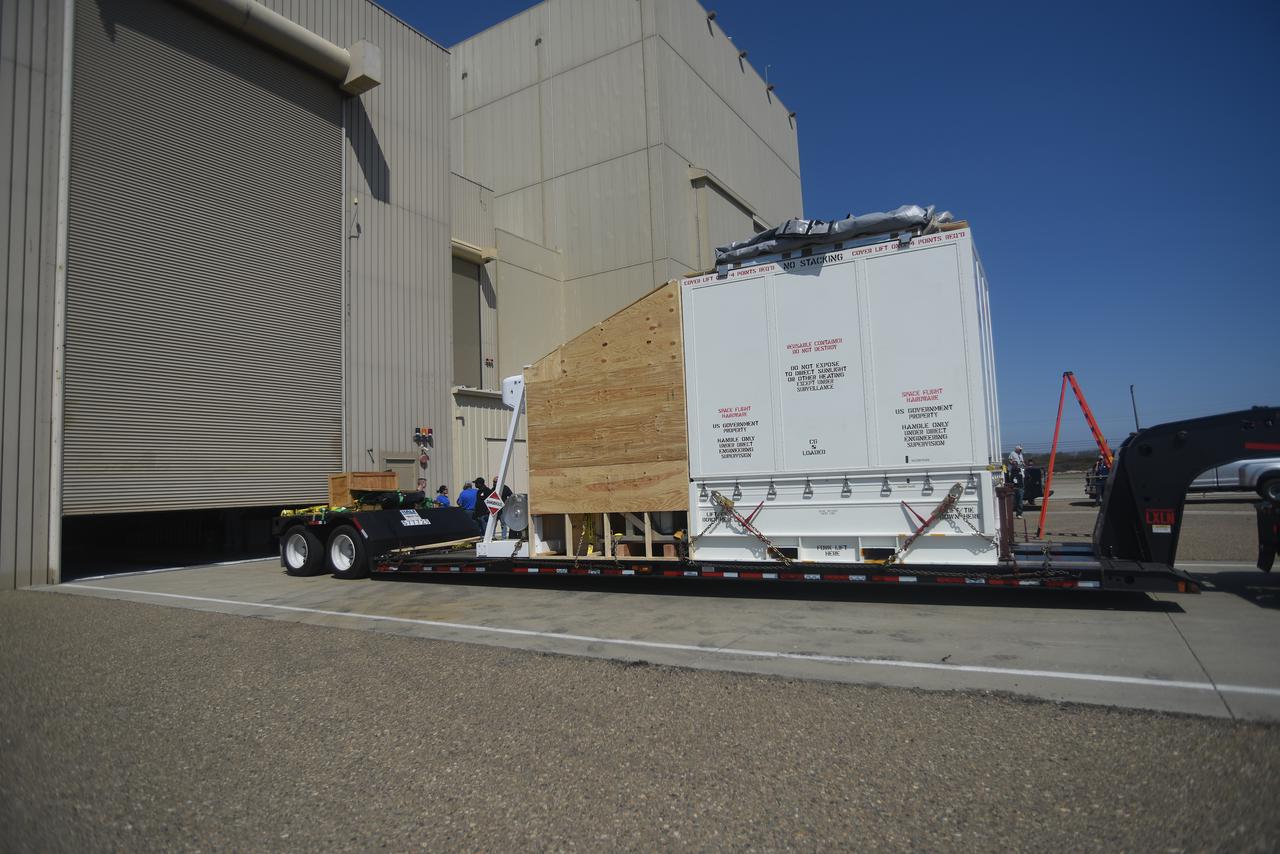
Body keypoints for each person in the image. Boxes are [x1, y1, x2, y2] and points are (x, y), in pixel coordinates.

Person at [1007, 444, 1026, 518]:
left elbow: (1022, 461)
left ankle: (1019, 513)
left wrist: (1024, 465)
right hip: (1013, 470)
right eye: (1019, 449)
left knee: (1019, 500)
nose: (1021, 450)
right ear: (1016, 449)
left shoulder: (1021, 455)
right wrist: (1013, 464)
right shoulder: (1012, 453)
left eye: (1021, 449)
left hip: (1020, 470)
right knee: (1014, 500)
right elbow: (1009, 460)